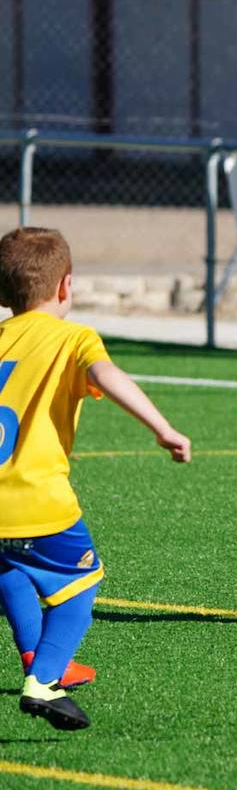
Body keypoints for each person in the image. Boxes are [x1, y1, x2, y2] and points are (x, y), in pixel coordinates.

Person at [0, 227, 192, 730]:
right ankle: (44, 682)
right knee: (83, 584)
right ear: (66, 287)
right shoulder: (73, 337)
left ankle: (38, 657)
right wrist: (163, 428)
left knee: (9, 569)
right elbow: (108, 376)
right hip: (37, 497)